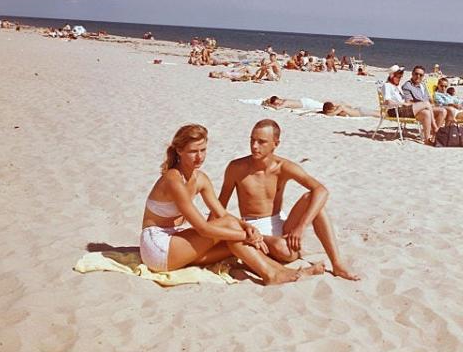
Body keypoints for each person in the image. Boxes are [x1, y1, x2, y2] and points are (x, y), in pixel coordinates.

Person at [140, 124, 322, 284]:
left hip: (176, 241)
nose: (199, 157)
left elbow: (222, 214)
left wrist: (247, 227)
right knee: (232, 232)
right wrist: (245, 235)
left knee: (232, 240)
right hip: (157, 247)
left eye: (203, 150)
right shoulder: (173, 179)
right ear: (179, 151)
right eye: (193, 151)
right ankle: (272, 274)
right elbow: (203, 229)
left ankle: (277, 272)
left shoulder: (201, 179)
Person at [220, 120, 360, 280]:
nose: (254, 146)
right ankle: (267, 247)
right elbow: (219, 207)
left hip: (278, 222)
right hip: (251, 226)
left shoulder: (283, 167)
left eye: (261, 142)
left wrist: (300, 227)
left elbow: (321, 190)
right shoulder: (236, 168)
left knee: (312, 198)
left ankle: (337, 264)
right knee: (283, 250)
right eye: (252, 140)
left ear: (275, 143)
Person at [382, 65, 440, 144]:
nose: (400, 78)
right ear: (392, 76)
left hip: (403, 110)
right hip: (395, 111)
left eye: (400, 77)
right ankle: (435, 128)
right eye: (398, 76)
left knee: (426, 113)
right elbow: (387, 102)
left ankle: (427, 140)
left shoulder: (396, 86)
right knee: (426, 103)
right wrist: (402, 103)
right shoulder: (387, 85)